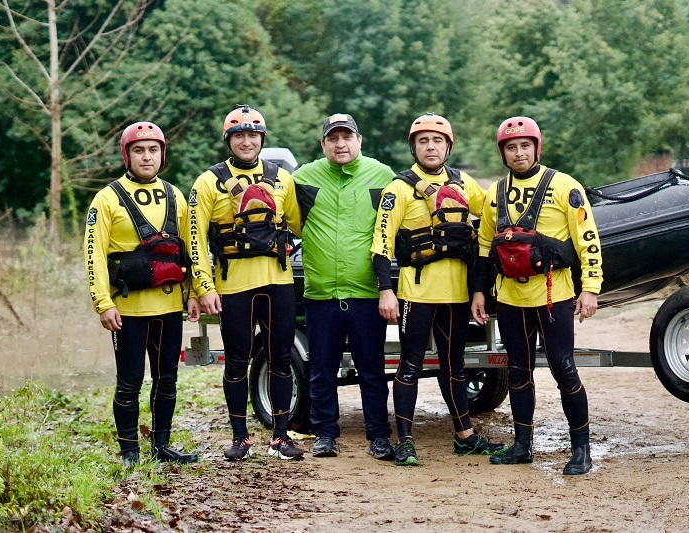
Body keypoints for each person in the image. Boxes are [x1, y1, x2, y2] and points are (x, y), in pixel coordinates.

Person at [471, 116, 603, 475]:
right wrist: (479, 291)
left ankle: (581, 450)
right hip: (511, 298)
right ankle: (522, 445)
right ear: (503, 153)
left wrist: (590, 288)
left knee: (564, 368)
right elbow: (485, 246)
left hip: (553, 295)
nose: (519, 153)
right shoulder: (493, 194)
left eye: (525, 146)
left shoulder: (564, 186)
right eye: (511, 147)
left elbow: (587, 240)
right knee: (518, 372)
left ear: (536, 148)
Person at [371, 112, 505, 466]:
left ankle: (465, 436)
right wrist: (387, 290)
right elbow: (381, 244)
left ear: (448, 147)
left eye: (437, 141)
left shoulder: (464, 184)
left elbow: (492, 217)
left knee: (454, 366)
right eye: (423, 141)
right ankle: (406, 441)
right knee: (410, 365)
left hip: (456, 295)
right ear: (414, 147)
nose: (431, 147)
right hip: (416, 295)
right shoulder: (398, 188)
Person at [188, 105, 304, 461]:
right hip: (233, 286)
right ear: (229, 139)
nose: (246, 140)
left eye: (253, 135)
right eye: (239, 135)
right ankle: (241, 438)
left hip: (278, 283)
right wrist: (203, 287)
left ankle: (281, 437)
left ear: (262, 139)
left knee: (281, 359)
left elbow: (299, 227)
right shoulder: (208, 182)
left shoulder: (283, 178)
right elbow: (194, 239)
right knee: (237, 362)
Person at [84, 121, 200, 467]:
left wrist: (193, 293)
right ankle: (130, 452)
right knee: (129, 382)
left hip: (168, 306)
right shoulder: (106, 198)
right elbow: (93, 254)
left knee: (167, 379)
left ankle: (161, 447)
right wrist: (102, 302)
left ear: (162, 154)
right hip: (128, 310)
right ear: (127, 155)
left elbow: (188, 249)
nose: (146, 157)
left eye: (153, 150)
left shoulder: (174, 194)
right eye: (139, 150)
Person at [292, 113, 395, 460]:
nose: (340, 144)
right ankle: (325, 434)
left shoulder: (382, 175)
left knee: (372, 369)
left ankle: (379, 435)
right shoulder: (303, 178)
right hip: (321, 293)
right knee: (322, 368)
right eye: (333, 139)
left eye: (347, 137)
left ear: (359, 140)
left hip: (366, 292)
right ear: (323, 144)